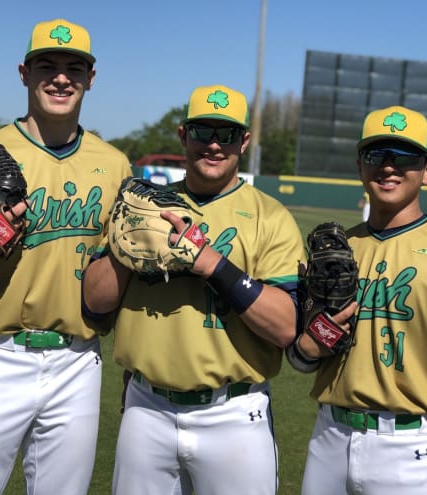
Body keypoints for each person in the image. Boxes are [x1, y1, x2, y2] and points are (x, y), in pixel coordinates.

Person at [0, 18, 132, 495]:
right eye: (47, 66)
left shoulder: (115, 165)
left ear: (90, 79)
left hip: (78, 363)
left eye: (74, 67)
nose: (61, 78)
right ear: (24, 73)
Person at [82, 84, 305, 495]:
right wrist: (125, 243)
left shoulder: (270, 217)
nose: (215, 145)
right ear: (184, 135)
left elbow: (285, 327)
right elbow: (95, 304)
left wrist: (212, 265)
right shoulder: (144, 205)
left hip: (235, 415)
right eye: (204, 132)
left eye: (228, 134)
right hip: (146, 410)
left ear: (245, 140)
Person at [288, 105, 427, 495]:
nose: (388, 167)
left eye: (404, 157)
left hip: (410, 447)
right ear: (360, 166)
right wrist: (309, 343)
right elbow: (302, 357)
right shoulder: (337, 249)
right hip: (329, 437)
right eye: (376, 155)